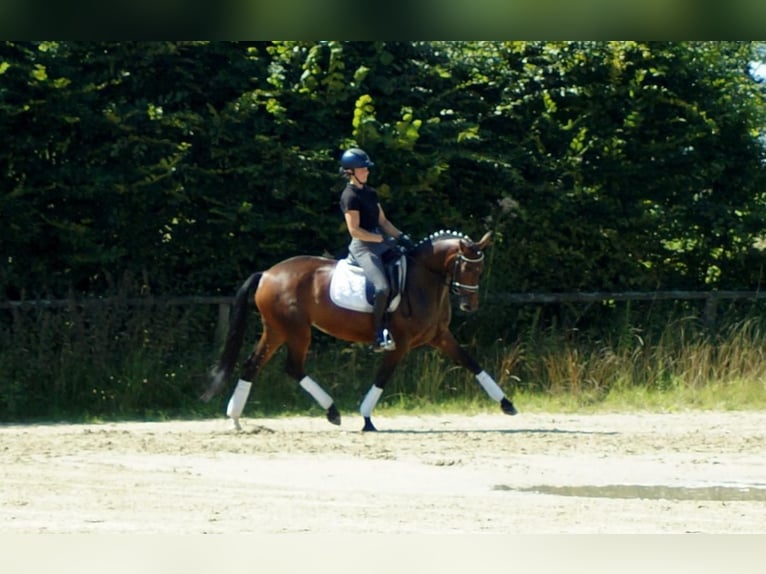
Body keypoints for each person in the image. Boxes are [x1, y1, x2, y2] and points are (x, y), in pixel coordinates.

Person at [338, 147, 415, 352]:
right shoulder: (349, 196)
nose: (367, 172)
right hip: (363, 247)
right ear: (351, 172)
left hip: (380, 242)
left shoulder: (370, 193)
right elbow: (355, 231)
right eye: (363, 169)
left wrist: (401, 236)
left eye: (366, 169)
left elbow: (383, 220)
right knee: (382, 287)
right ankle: (378, 333)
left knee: (408, 266)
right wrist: (381, 238)